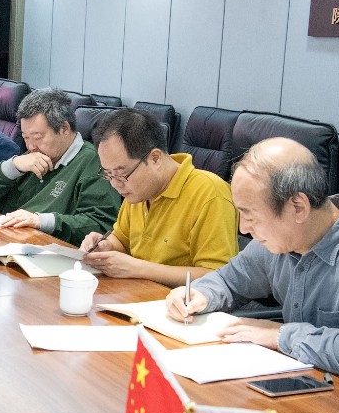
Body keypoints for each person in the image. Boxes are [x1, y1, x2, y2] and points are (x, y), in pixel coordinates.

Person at [167, 138, 339, 407]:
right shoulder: (277, 242)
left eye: (250, 214)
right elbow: (229, 280)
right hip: (328, 394)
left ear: (298, 207)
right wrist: (199, 294)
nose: (243, 227)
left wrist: (282, 335)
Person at [78, 107, 237, 287]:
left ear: (155, 158)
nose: (115, 184)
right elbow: (122, 240)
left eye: (121, 174)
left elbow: (217, 276)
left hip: (179, 301)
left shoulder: (210, 193)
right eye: (108, 174)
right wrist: (106, 246)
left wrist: (139, 268)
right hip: (136, 293)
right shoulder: (137, 191)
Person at [0, 88, 121, 245]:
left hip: (47, 249)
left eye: (37, 137)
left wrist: (41, 221)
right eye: (25, 137)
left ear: (64, 128)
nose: (31, 146)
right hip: (6, 240)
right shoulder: (32, 157)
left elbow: (101, 225)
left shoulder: (93, 161)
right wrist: (13, 166)